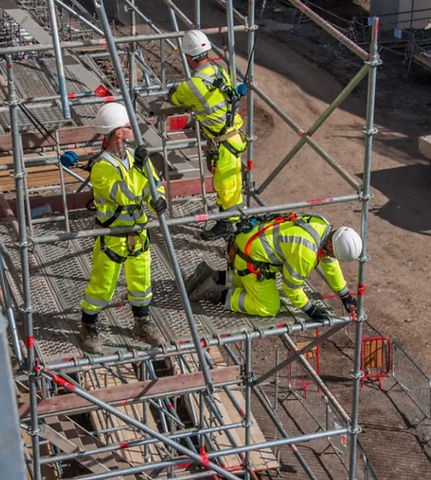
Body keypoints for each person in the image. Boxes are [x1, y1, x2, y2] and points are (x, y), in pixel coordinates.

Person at [79, 102, 167, 353]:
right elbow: (125, 194)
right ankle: (88, 326)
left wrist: (156, 199)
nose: (132, 131)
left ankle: (142, 323)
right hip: (113, 237)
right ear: (117, 132)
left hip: (138, 234)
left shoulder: (132, 157)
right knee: (102, 286)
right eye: (128, 127)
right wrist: (140, 169)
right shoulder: (101, 168)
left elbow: (152, 184)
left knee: (141, 282)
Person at [186, 213, 362, 322]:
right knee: (268, 306)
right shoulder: (306, 252)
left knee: (248, 280)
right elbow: (291, 288)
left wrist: (344, 294)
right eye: (333, 254)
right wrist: (309, 308)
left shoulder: (321, 225)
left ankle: (214, 276)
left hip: (246, 244)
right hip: (249, 259)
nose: (332, 258)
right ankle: (214, 293)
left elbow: (330, 264)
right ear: (331, 246)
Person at [168, 29, 247, 241]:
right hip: (235, 136)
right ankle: (235, 220)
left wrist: (174, 91)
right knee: (232, 183)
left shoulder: (192, 86)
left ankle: (228, 225)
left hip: (223, 143)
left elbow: (174, 99)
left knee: (227, 186)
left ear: (189, 57)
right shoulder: (221, 72)